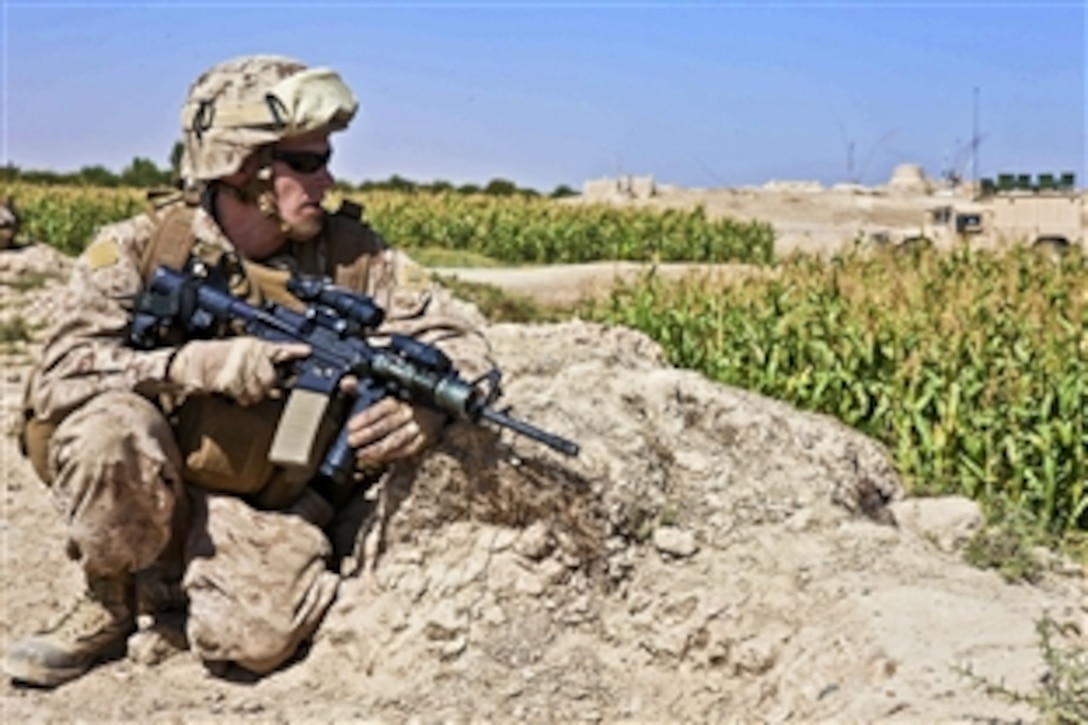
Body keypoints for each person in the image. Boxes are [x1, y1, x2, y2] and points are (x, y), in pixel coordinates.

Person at [5, 54, 492, 687]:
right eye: (308, 163)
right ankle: (110, 599)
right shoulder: (141, 248)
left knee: (254, 641)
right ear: (245, 168)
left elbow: (463, 337)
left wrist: (427, 406)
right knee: (109, 431)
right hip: (153, 470)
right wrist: (192, 365)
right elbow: (58, 376)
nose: (327, 180)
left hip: (259, 504)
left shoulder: (352, 259)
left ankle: (180, 574)